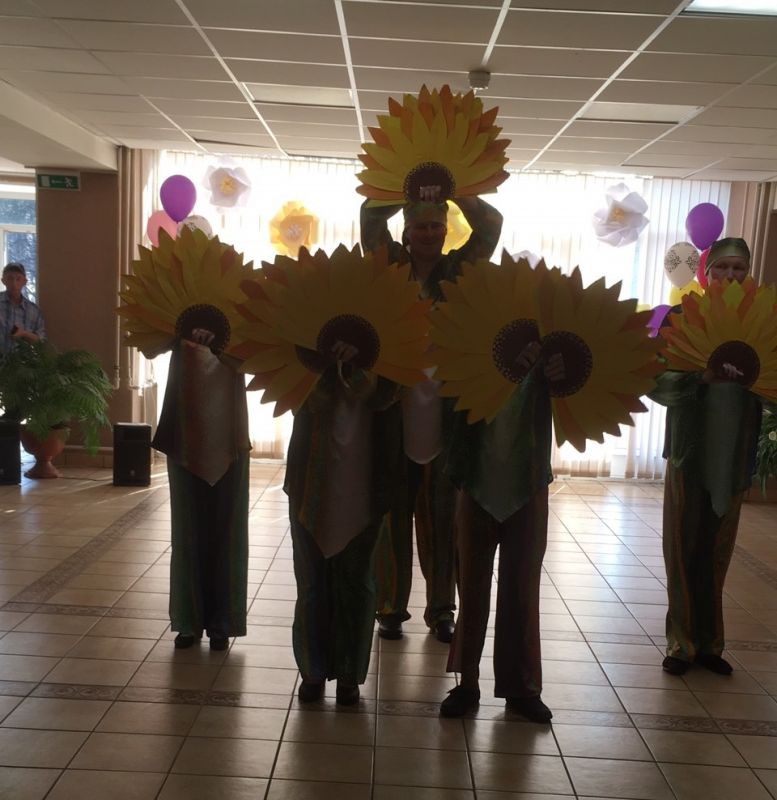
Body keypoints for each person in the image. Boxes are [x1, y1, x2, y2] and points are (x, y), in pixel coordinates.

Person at [360, 187, 503, 642]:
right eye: (420, 226)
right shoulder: (389, 264)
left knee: (443, 514)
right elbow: (370, 217)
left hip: (446, 407)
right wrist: (405, 187)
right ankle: (389, 606)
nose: (428, 234)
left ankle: (441, 609)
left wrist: (454, 191)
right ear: (406, 231)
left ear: (446, 230)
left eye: (435, 226)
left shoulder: (459, 268)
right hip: (392, 406)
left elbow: (491, 226)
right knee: (392, 508)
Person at [650, 237, 761, 677]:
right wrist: (701, 377)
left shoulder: (762, 322)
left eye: (739, 269)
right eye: (723, 268)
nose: (730, 276)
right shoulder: (682, 318)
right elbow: (655, 381)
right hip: (688, 453)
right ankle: (681, 644)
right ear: (707, 272)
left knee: (718, 550)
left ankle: (711, 644)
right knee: (681, 545)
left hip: (734, 455)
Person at [439, 341, 564, 723]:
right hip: (476, 474)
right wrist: (497, 365)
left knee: (522, 585)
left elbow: (582, 393)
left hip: (528, 477)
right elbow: (448, 382)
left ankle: (522, 687)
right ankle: (467, 682)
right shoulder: (476, 328)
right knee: (471, 583)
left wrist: (562, 372)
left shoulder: (551, 327)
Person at [285, 341, 400, 705]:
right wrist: (324, 364)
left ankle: (349, 674)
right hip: (309, 476)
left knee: (358, 579)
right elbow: (294, 392)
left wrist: (359, 366)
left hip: (368, 476)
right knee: (311, 579)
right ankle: (312, 670)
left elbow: (390, 393)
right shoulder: (300, 330)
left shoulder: (390, 334)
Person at [145, 326, 250, 652]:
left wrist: (224, 342)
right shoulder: (173, 305)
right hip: (184, 427)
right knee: (186, 531)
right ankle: (188, 621)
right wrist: (180, 335)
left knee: (227, 530)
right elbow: (148, 345)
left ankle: (222, 622)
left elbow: (259, 355)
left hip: (229, 432)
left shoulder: (244, 309)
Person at [1, 262, 45, 354]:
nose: (14, 283)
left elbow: (41, 341)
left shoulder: (34, 311)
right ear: (3, 281)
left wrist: (25, 333)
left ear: (24, 281)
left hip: (22, 362)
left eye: (18, 279)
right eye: (10, 278)